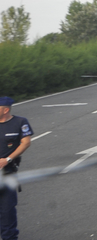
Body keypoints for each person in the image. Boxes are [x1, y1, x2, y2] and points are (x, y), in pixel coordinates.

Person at [0, 96, 32, 240]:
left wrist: (7, 159)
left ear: (5, 110)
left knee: (7, 210)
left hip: (7, 173)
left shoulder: (20, 122)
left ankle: (9, 237)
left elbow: (25, 143)